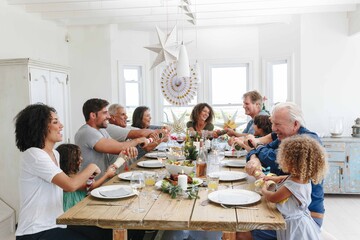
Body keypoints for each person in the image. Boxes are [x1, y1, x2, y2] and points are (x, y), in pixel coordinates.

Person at [14, 103, 104, 240]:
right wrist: (91, 167)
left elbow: (65, 188)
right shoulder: (34, 154)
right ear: (40, 127)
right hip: (36, 231)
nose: (61, 126)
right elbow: (70, 185)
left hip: (57, 223)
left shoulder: (55, 154)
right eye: (55, 122)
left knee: (104, 231)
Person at [239, 102, 325, 240]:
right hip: (286, 212)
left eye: (277, 124)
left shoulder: (307, 142)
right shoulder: (284, 137)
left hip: (305, 219)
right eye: (272, 123)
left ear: (295, 124)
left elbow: (271, 159)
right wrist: (256, 154)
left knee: (242, 233)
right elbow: (261, 150)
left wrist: (257, 153)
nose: (273, 129)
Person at [261, 135, 327, 240]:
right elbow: (283, 178)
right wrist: (273, 179)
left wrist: (264, 190)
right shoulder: (301, 178)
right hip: (300, 220)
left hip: (295, 226)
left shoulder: (293, 186)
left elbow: (273, 197)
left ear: (293, 162)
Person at [75, 98, 147, 179]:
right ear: (93, 115)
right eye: (105, 113)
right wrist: (138, 140)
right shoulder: (87, 132)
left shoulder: (101, 130)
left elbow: (119, 146)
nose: (109, 117)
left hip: (103, 181)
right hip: (93, 186)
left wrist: (129, 149)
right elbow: (120, 148)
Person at [56, 143, 117, 211]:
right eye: (77, 157)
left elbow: (90, 183)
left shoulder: (68, 177)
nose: (81, 159)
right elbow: (91, 186)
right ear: (69, 162)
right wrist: (106, 175)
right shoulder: (71, 180)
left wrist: (92, 176)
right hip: (73, 208)